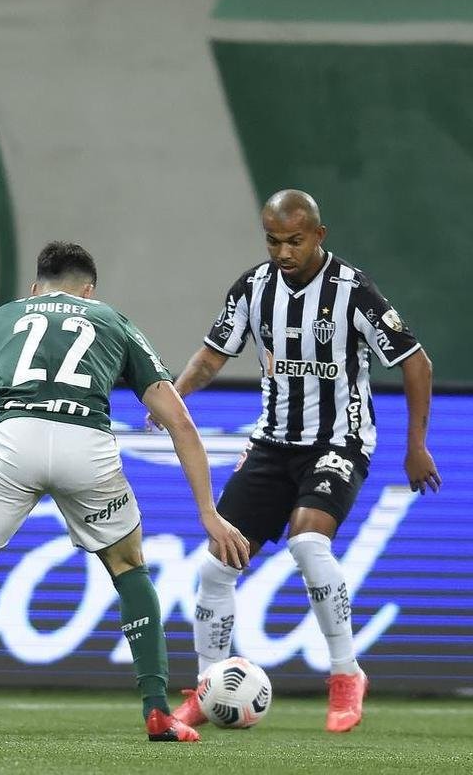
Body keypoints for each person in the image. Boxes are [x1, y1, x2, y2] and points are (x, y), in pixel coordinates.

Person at [0, 241, 251, 742]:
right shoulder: (111, 320)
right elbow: (179, 422)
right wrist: (208, 512)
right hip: (87, 446)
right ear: (89, 291)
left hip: (13, 441)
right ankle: (159, 713)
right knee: (129, 570)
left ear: (35, 288)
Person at [158, 189, 441, 733]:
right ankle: (207, 685)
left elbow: (416, 363)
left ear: (318, 235)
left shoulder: (354, 292)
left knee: (308, 541)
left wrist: (416, 445)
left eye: (294, 240)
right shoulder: (252, 288)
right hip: (271, 444)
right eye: (273, 240)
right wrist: (174, 394)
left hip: (340, 440)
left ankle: (345, 675)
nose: (283, 252)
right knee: (216, 567)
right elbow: (215, 354)